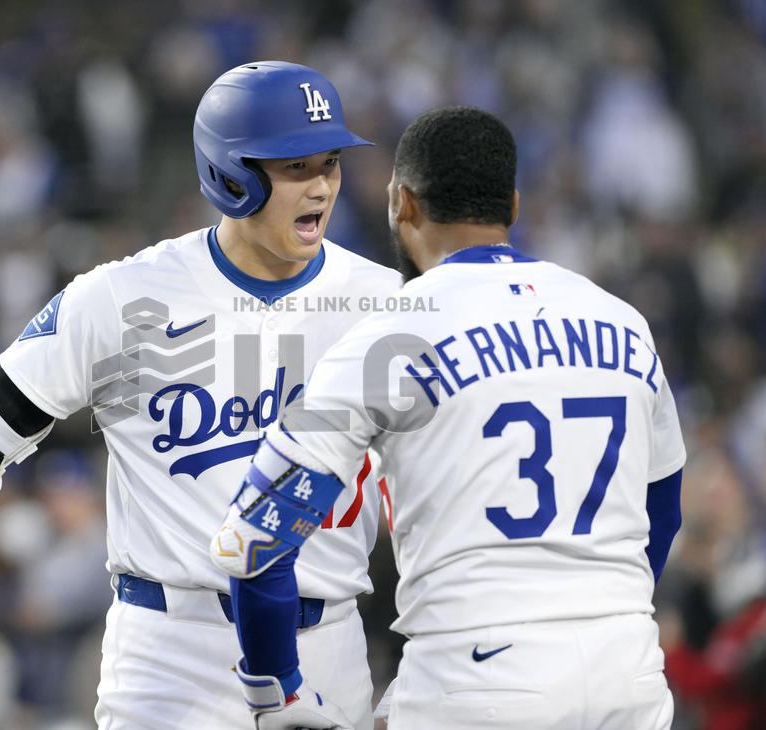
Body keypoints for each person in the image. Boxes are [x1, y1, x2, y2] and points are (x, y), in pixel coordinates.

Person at [0, 61, 401, 730]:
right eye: (294, 167)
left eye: (330, 163)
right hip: (169, 655)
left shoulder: (390, 306)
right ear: (230, 175)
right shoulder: (123, 297)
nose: (320, 186)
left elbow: (448, 499)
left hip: (329, 646)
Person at [211, 106, 686, 729]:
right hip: (629, 670)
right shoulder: (622, 321)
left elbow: (256, 539)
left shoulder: (384, 340)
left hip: (479, 677)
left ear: (401, 202)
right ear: (512, 205)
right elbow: (664, 509)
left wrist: (278, 694)